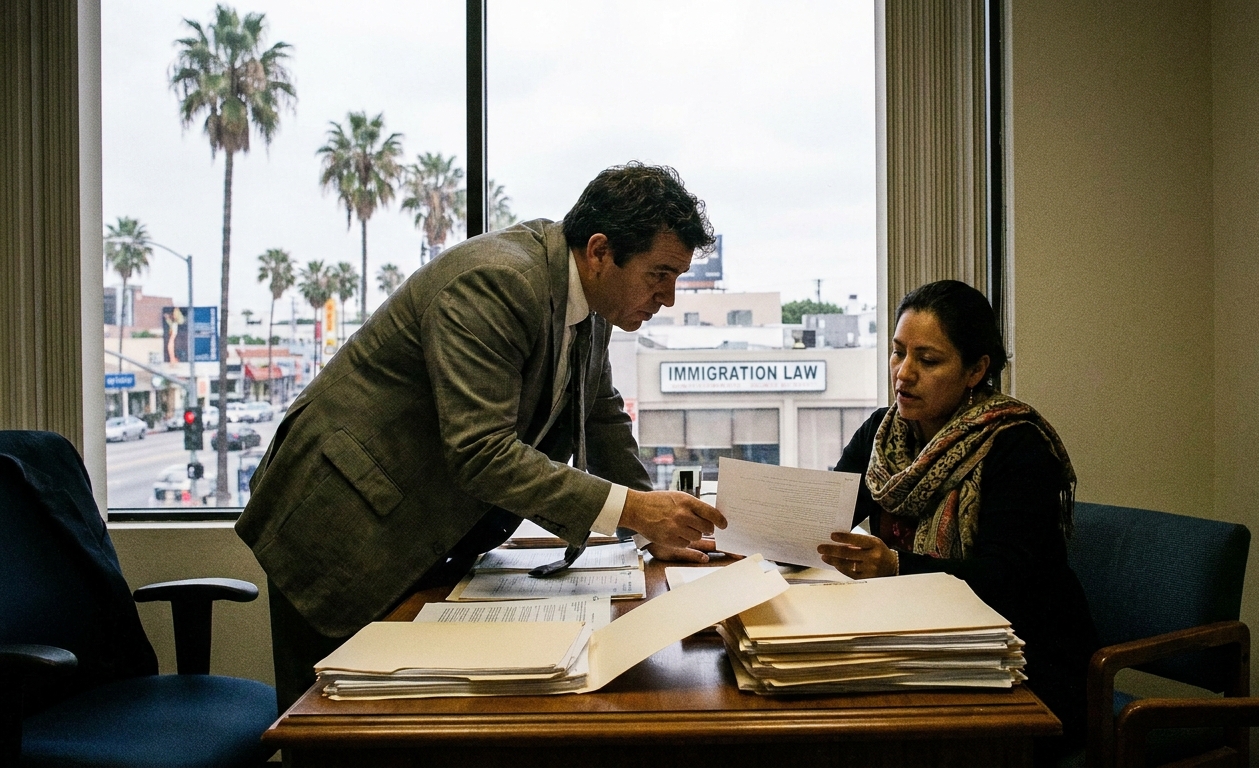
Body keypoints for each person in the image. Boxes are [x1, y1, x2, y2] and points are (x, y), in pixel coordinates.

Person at [236, 162, 728, 710]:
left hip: (423, 526)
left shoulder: (593, 305)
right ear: (599, 252)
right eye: (660, 274)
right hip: (341, 524)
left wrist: (656, 528)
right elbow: (481, 452)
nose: (669, 298)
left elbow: (600, 415)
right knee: (334, 732)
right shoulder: (496, 281)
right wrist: (636, 510)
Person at [815, 280, 1096, 764]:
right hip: (922, 646)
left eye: (928, 360)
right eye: (898, 353)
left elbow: (1004, 579)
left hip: (1024, 664)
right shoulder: (883, 436)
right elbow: (824, 521)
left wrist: (896, 566)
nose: (903, 374)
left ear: (976, 370)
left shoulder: (1016, 445)